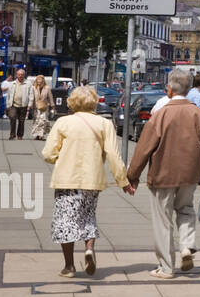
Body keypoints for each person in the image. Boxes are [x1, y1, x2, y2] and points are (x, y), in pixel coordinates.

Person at [126, 69, 200, 279]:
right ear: (188, 90)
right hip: (190, 174)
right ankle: (187, 246)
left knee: (163, 219)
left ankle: (166, 267)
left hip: (162, 174)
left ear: (169, 89)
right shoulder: (199, 114)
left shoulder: (161, 115)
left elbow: (144, 148)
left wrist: (132, 176)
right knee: (186, 209)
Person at [42, 86, 135, 277]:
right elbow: (114, 156)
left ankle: (69, 266)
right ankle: (89, 249)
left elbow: (48, 153)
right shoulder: (104, 124)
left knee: (65, 221)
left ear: (72, 102)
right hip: (92, 180)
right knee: (88, 215)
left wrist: (58, 158)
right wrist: (123, 181)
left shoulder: (63, 122)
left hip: (66, 180)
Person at [6, 68, 34, 140]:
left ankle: (20, 135)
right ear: (16, 75)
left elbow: (31, 94)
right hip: (13, 104)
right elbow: (8, 95)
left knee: (21, 121)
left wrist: (30, 104)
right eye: (19, 74)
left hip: (23, 105)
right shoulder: (12, 84)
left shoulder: (28, 83)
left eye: (22, 74)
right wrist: (8, 105)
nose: (20, 76)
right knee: (12, 117)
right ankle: (12, 134)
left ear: (24, 75)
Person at [31, 74, 54, 140]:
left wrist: (52, 106)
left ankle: (42, 135)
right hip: (36, 107)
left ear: (43, 81)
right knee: (36, 121)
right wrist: (30, 106)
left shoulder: (47, 88)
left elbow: (50, 97)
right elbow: (32, 97)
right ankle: (37, 135)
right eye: (38, 81)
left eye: (40, 81)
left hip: (44, 107)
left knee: (43, 121)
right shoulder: (34, 88)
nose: (39, 83)